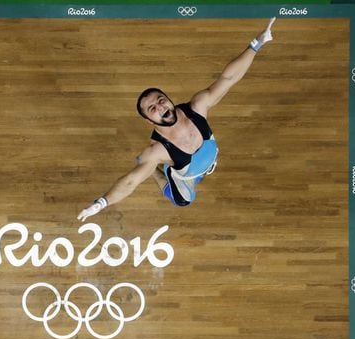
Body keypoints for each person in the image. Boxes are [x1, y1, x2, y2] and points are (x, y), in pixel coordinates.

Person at [77, 17, 276, 222]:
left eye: (161, 100)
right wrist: (101, 203)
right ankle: (158, 171)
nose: (160, 107)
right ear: (149, 120)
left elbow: (229, 78)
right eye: (152, 109)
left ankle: (200, 170)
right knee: (183, 200)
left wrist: (257, 43)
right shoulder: (157, 151)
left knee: (200, 168)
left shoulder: (198, 106)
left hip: (203, 162)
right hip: (184, 174)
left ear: (170, 100)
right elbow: (131, 181)